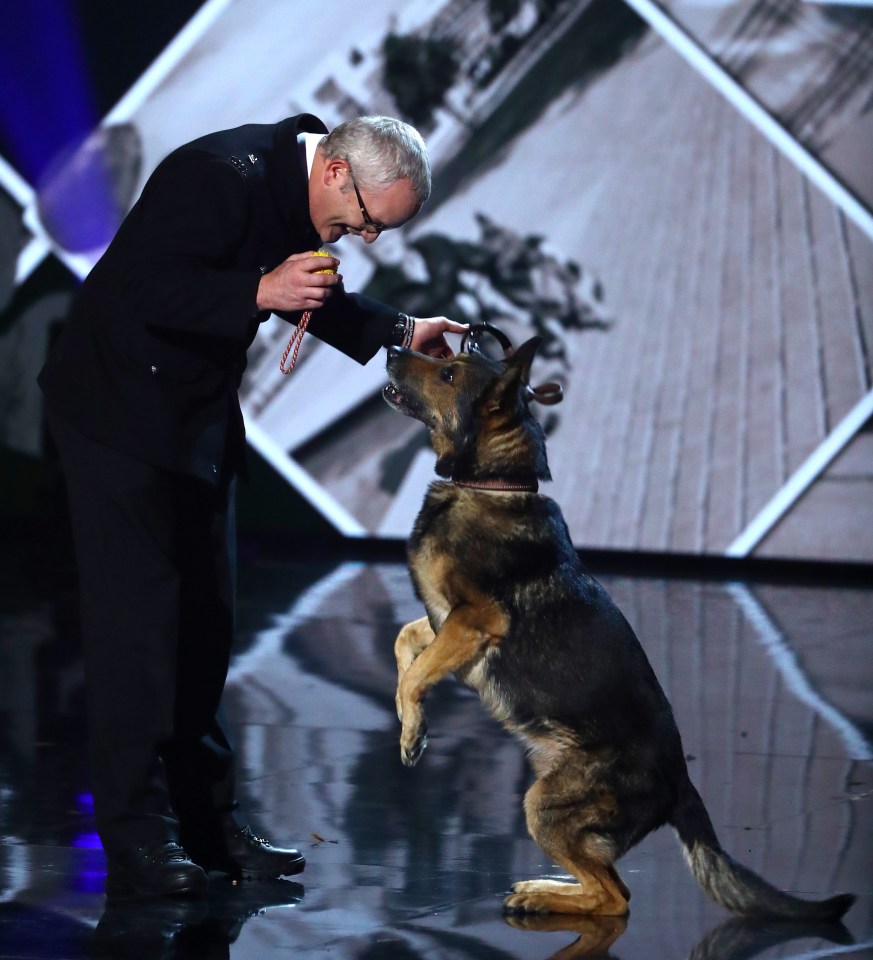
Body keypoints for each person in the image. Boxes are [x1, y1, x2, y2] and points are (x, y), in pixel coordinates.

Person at [38, 114, 466, 898]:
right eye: (369, 220)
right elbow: (136, 281)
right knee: (139, 636)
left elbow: (313, 296)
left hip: (192, 417)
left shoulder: (301, 186)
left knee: (204, 628)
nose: (365, 238)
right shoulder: (214, 174)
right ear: (336, 171)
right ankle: (138, 842)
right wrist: (256, 291)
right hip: (116, 414)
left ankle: (211, 830)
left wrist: (404, 330)